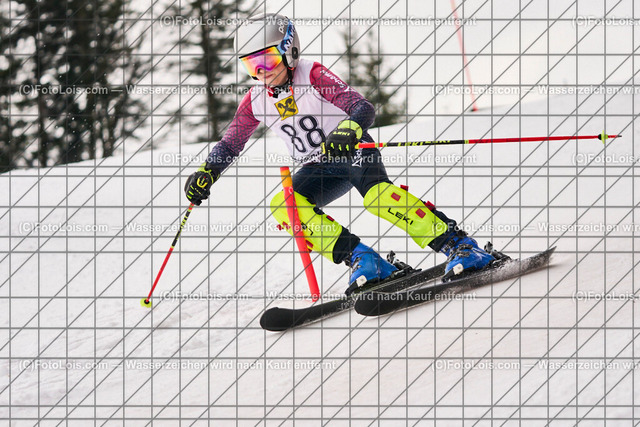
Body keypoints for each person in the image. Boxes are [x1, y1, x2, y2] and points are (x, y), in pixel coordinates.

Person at [184, 13, 495, 294]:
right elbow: (230, 144)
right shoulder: (255, 101)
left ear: (289, 51)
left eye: (267, 60)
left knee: (378, 198)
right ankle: (364, 260)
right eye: (252, 66)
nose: (262, 72)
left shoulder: (312, 75)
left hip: (352, 151)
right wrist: (207, 172)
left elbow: (362, 107)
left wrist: (347, 129)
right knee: (285, 206)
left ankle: (460, 245)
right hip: (318, 167)